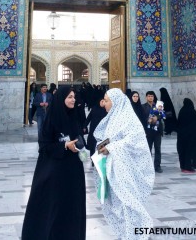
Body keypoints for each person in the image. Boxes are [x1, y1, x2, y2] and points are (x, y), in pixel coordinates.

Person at [22, 86, 86, 240]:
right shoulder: (52, 118)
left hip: (73, 170)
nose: (73, 100)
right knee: (54, 207)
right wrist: (64, 145)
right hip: (54, 172)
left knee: (71, 207)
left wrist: (81, 146)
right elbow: (44, 145)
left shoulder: (74, 116)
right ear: (61, 99)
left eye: (74, 97)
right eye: (70, 97)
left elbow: (78, 138)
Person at [94, 88, 154, 240]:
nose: (104, 104)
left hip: (126, 172)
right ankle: (124, 234)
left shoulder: (129, 119)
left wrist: (111, 148)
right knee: (117, 205)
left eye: (106, 101)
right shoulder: (114, 118)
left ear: (116, 102)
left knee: (128, 203)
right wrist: (102, 146)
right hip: (113, 170)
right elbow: (111, 138)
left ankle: (135, 235)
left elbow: (134, 141)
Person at [177, 98, 196, 174]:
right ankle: (188, 167)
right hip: (191, 137)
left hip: (182, 137)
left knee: (183, 152)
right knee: (190, 152)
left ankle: (183, 167)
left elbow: (179, 124)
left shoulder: (181, 111)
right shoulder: (192, 111)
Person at [142, 90, 163, 173]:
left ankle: (157, 166)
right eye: (149, 96)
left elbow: (162, 115)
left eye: (152, 96)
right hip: (148, 131)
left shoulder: (158, 106)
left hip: (157, 131)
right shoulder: (143, 107)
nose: (150, 97)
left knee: (158, 148)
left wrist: (156, 118)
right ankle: (148, 166)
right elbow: (142, 117)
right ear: (146, 97)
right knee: (148, 149)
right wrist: (148, 120)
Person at [83, 92, 106, 157]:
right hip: (93, 129)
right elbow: (89, 118)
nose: (103, 103)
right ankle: (92, 159)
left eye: (104, 101)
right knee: (92, 145)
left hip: (102, 131)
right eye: (102, 101)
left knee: (100, 145)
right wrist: (85, 126)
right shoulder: (94, 108)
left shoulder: (106, 110)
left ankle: (100, 158)